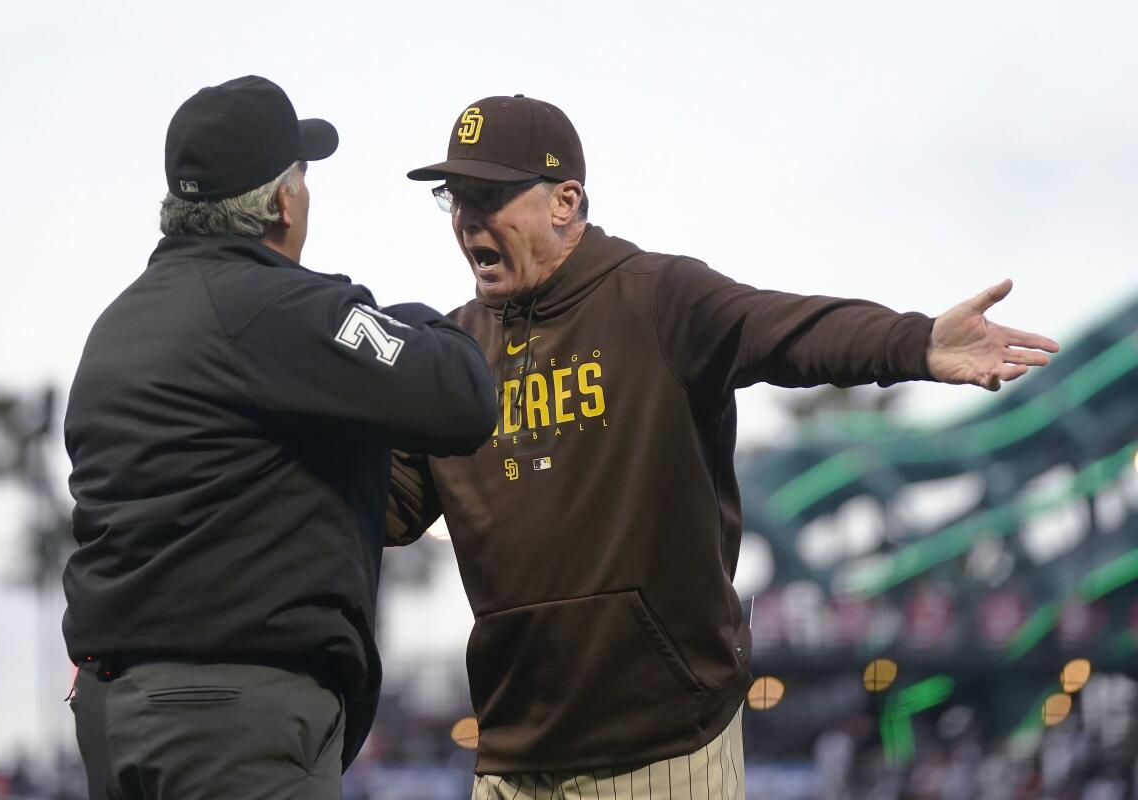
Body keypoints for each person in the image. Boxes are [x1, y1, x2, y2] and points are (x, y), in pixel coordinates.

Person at [389, 94, 1060, 799]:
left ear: (565, 202)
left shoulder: (655, 299)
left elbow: (786, 330)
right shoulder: (456, 352)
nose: (466, 219)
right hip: (512, 757)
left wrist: (916, 341)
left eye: (488, 196)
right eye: (454, 198)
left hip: (663, 749)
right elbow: (391, 506)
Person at [61, 75, 496, 800]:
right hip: (229, 722)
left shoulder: (120, 322)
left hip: (120, 712)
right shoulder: (270, 308)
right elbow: (460, 394)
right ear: (282, 199)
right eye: (301, 174)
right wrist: (420, 317)